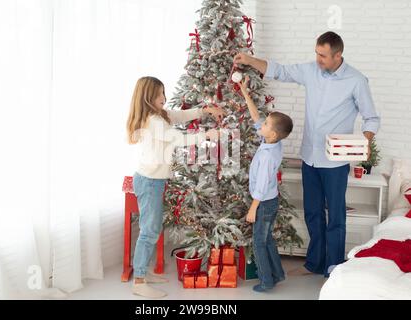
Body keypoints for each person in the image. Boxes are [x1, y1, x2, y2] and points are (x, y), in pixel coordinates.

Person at [234, 31, 380, 278]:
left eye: (323, 55)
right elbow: (279, 70)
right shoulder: (311, 70)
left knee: (335, 215)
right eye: (316, 53)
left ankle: (333, 267)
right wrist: (249, 60)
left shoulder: (356, 80)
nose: (318, 59)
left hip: (335, 161)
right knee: (312, 212)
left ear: (338, 55)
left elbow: (372, 118)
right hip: (310, 157)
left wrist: (362, 142)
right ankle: (314, 263)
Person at [126, 76, 225, 298]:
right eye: (160, 94)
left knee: (152, 229)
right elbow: (178, 139)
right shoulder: (154, 121)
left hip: (154, 181)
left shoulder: (159, 116)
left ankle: (144, 272)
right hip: (149, 181)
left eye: (163, 92)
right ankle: (139, 280)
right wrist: (207, 135)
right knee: (149, 231)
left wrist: (204, 111)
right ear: (148, 97)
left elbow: (179, 115)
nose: (164, 97)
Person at [239, 75, 293, 292]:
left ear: (271, 133)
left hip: (263, 203)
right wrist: (245, 93)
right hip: (270, 202)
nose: (262, 124)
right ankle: (278, 274)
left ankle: (266, 281)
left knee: (259, 242)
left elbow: (261, 185)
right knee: (267, 239)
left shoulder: (269, 156)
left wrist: (253, 209)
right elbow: (256, 118)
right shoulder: (272, 141)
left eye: (267, 123)